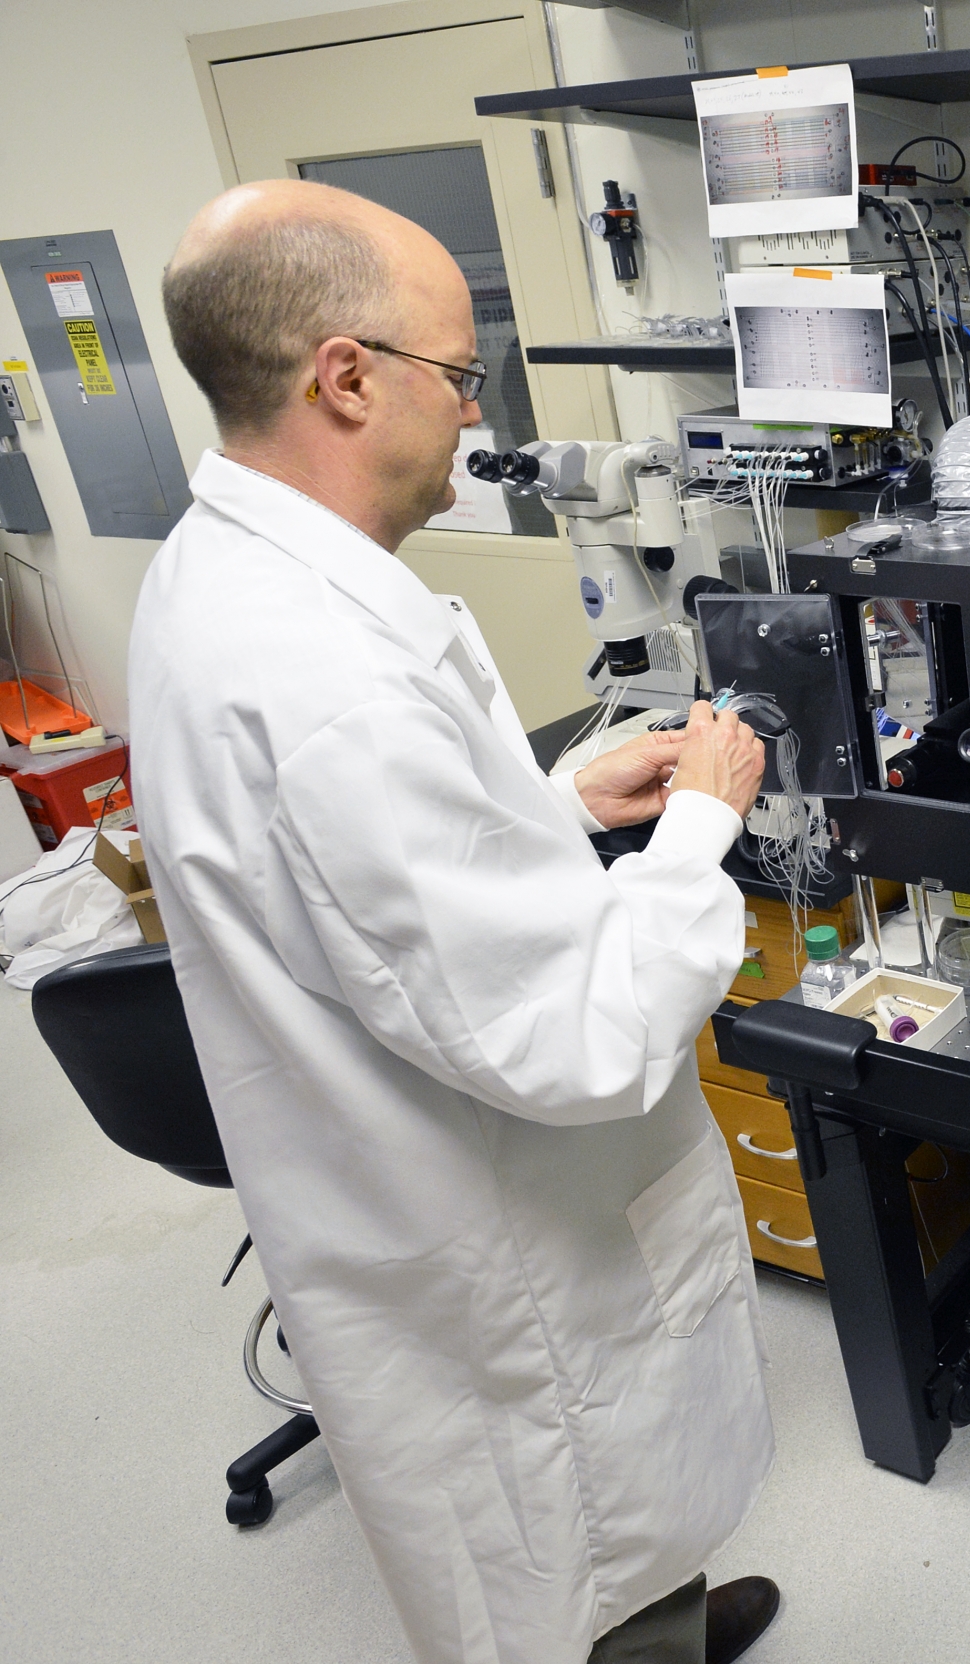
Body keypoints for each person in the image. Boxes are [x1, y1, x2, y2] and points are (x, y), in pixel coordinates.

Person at [129, 179, 782, 1664]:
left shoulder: (218, 578)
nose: (479, 419)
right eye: (458, 374)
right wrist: (705, 821)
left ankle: (661, 1613)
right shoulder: (325, 681)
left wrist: (552, 807)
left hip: (409, 1177)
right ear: (346, 379)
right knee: (576, 1521)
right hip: (495, 1242)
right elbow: (586, 1038)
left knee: (615, 1528)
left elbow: (363, 903)